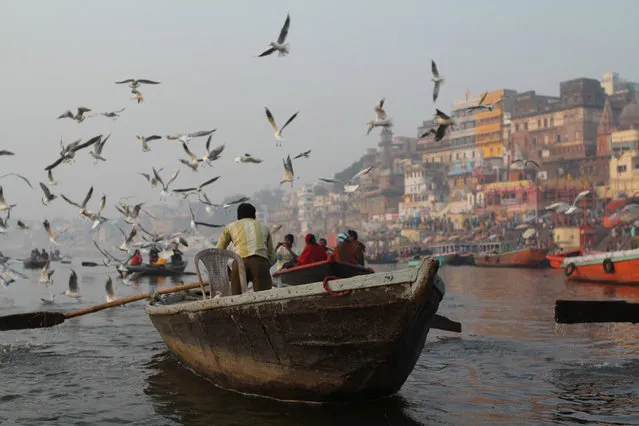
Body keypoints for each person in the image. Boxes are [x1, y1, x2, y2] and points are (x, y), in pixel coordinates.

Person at [217, 202, 275, 295]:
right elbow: (272, 256)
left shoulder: (230, 227)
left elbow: (218, 252)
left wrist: (228, 271)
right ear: (254, 215)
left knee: (237, 301)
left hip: (239, 263)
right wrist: (263, 269)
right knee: (263, 299)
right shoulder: (264, 227)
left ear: (238, 216)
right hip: (260, 261)